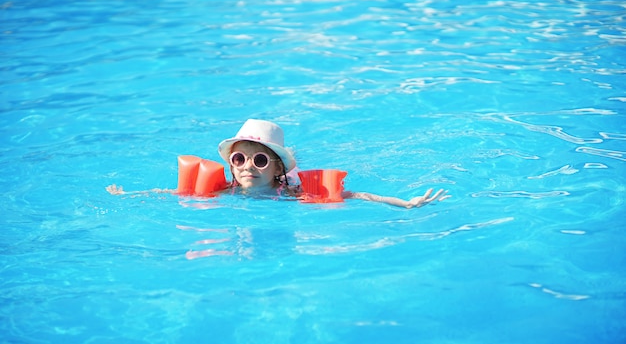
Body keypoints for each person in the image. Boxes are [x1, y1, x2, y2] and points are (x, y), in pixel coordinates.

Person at [107, 119, 450, 208]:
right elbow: (172, 193)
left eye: (259, 159)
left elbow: (355, 195)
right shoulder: (227, 192)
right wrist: (130, 195)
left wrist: (404, 202)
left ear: (276, 169)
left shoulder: (291, 194)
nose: (246, 167)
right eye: (239, 158)